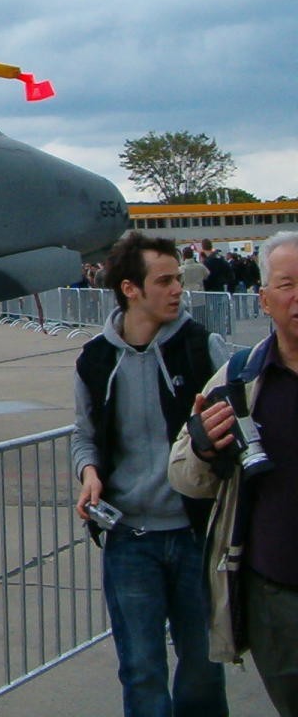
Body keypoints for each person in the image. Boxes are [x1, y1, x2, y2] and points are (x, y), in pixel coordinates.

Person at [72, 231, 228, 717]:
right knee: (141, 669)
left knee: (202, 667)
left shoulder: (205, 348)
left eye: (178, 278)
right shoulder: (94, 360)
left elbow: (242, 426)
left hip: (195, 537)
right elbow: (84, 436)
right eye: (164, 280)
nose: (177, 289)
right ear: (130, 289)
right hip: (129, 540)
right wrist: (89, 471)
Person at [169, 230, 298, 716]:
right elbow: (182, 476)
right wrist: (203, 448)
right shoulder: (241, 378)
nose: (297, 296)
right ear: (264, 300)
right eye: (286, 285)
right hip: (278, 600)